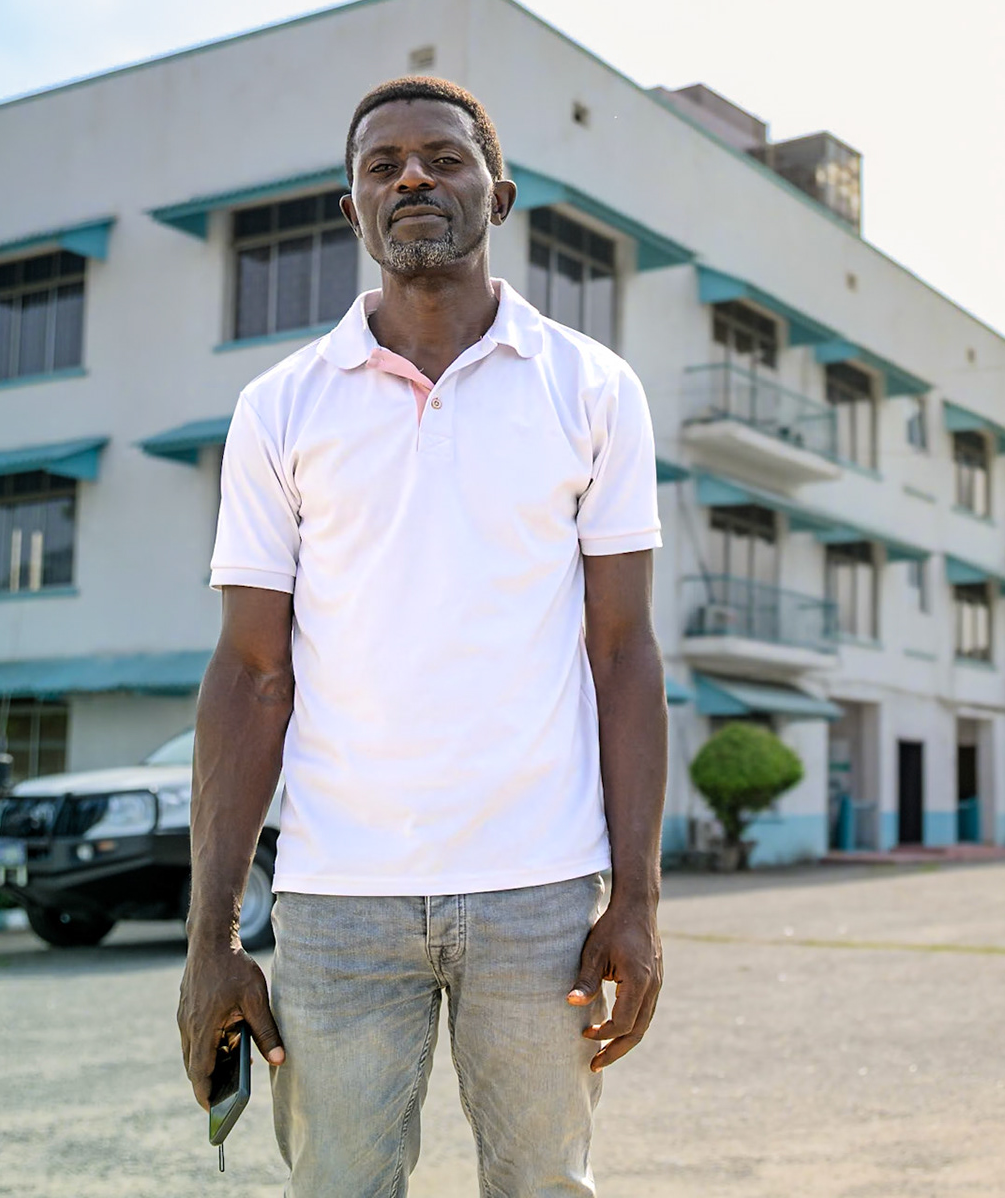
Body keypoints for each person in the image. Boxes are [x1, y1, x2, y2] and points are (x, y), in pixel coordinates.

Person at [176, 75, 668, 1196]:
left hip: (541, 893)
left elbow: (624, 654)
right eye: (380, 164)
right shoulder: (280, 408)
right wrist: (212, 938)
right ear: (352, 212)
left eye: (441, 159)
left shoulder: (591, 389)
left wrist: (636, 901)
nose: (410, 176)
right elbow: (252, 674)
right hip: (337, 898)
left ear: (497, 195)